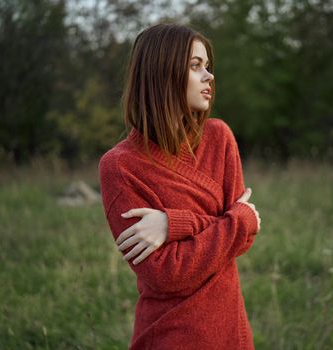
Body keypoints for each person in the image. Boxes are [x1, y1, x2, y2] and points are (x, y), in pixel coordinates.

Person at [99, 23, 261, 349]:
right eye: (195, 66)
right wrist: (235, 219)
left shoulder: (220, 138)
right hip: (170, 335)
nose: (209, 76)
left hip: (231, 330)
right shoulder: (120, 166)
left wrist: (171, 224)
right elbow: (165, 273)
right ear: (163, 73)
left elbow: (245, 237)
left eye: (208, 66)